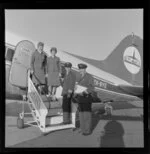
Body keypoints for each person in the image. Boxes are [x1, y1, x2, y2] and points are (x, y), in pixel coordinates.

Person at [75, 63, 94, 135]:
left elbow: (92, 87)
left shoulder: (89, 77)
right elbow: (76, 86)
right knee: (81, 114)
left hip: (86, 97)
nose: (81, 70)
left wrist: (85, 92)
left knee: (87, 115)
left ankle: (87, 130)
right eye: (80, 69)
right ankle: (83, 129)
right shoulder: (78, 77)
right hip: (79, 98)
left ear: (85, 69)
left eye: (82, 69)